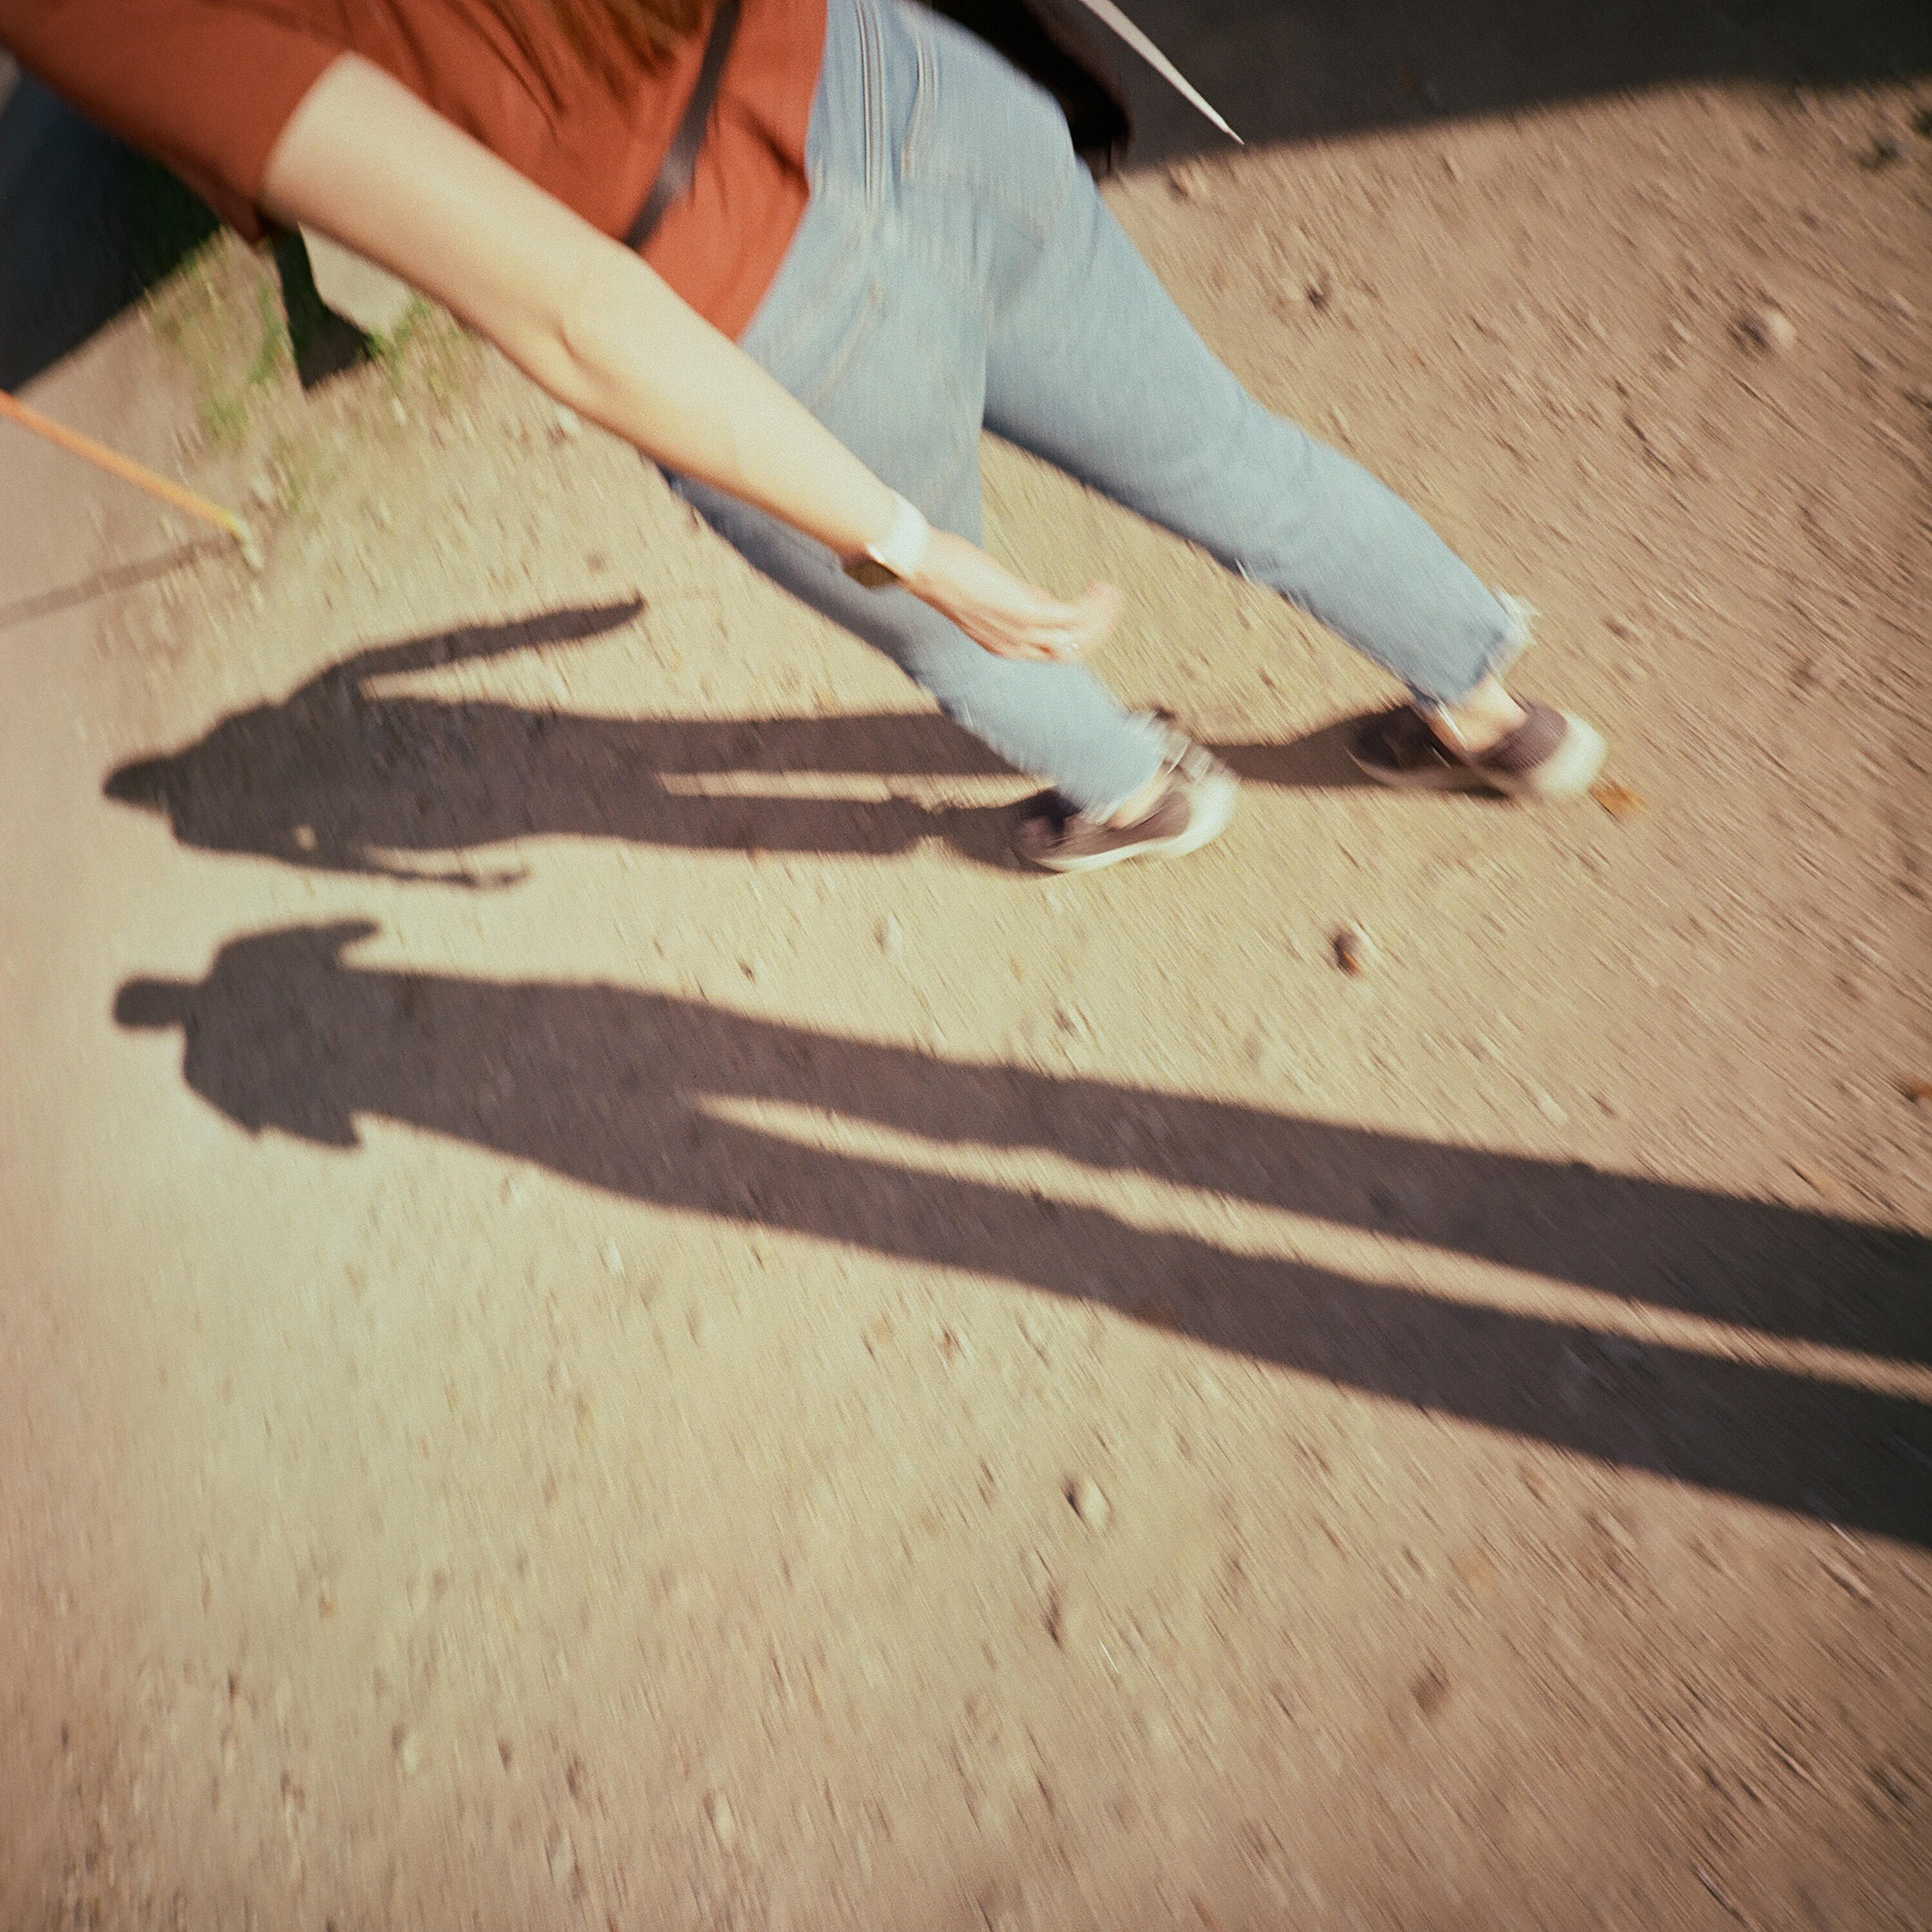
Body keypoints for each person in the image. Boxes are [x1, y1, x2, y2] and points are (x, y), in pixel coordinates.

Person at [4, 0, 1607, 873]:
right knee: (1237, 460)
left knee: (958, 622)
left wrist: (901, 541)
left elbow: (570, 310)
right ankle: (1495, 710)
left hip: (735, 307)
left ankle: (1142, 795)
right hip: (894, 76)